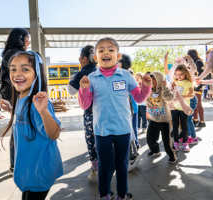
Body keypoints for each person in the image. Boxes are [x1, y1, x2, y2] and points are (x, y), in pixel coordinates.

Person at [78, 37, 151, 200]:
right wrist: (83, 89)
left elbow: (139, 98)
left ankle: (122, 195)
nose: (106, 52)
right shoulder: (92, 78)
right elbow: (85, 105)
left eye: (111, 49)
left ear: (118, 56)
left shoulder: (125, 75)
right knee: (103, 166)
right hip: (101, 131)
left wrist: (146, 86)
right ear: (96, 58)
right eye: (101, 50)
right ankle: (104, 194)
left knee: (122, 165)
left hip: (123, 130)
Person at [0, 51, 63, 200]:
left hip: (40, 169)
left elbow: (54, 134)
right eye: (13, 69)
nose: (17, 73)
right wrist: (10, 109)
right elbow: (23, 120)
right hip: (28, 169)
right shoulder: (21, 98)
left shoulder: (38, 104)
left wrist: (44, 111)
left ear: (37, 74)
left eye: (25, 69)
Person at [0, 27, 30, 176]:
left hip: (13, 96)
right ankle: (15, 165)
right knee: (18, 130)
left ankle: (15, 164)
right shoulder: (14, 55)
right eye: (27, 38)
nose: (29, 41)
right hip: (15, 97)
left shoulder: (9, 53)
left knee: (17, 128)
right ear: (20, 38)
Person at [67, 45, 98, 180]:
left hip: (90, 114)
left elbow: (71, 91)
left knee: (91, 141)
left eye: (80, 57)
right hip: (105, 114)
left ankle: (95, 168)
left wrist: (73, 78)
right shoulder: (100, 71)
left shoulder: (82, 73)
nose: (79, 60)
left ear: (85, 59)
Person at [146, 71, 178, 163]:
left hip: (164, 120)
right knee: (150, 140)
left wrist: (164, 87)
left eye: (154, 80)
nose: (152, 82)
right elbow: (141, 98)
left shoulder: (165, 89)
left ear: (159, 80)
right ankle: (155, 150)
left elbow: (168, 98)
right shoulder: (148, 91)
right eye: (150, 81)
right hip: (153, 119)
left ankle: (173, 155)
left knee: (167, 142)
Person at [171, 64, 195, 152]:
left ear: (185, 73)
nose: (178, 76)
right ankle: (175, 142)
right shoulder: (174, 82)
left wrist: (181, 97)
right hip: (174, 108)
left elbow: (192, 95)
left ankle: (185, 143)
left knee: (184, 126)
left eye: (181, 74)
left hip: (184, 108)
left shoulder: (188, 83)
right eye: (176, 74)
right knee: (175, 126)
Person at [187, 49, 206, 127]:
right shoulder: (195, 62)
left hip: (198, 86)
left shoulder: (198, 62)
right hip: (195, 86)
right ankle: (195, 120)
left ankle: (202, 121)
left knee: (198, 103)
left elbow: (201, 76)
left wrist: (198, 88)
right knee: (194, 103)